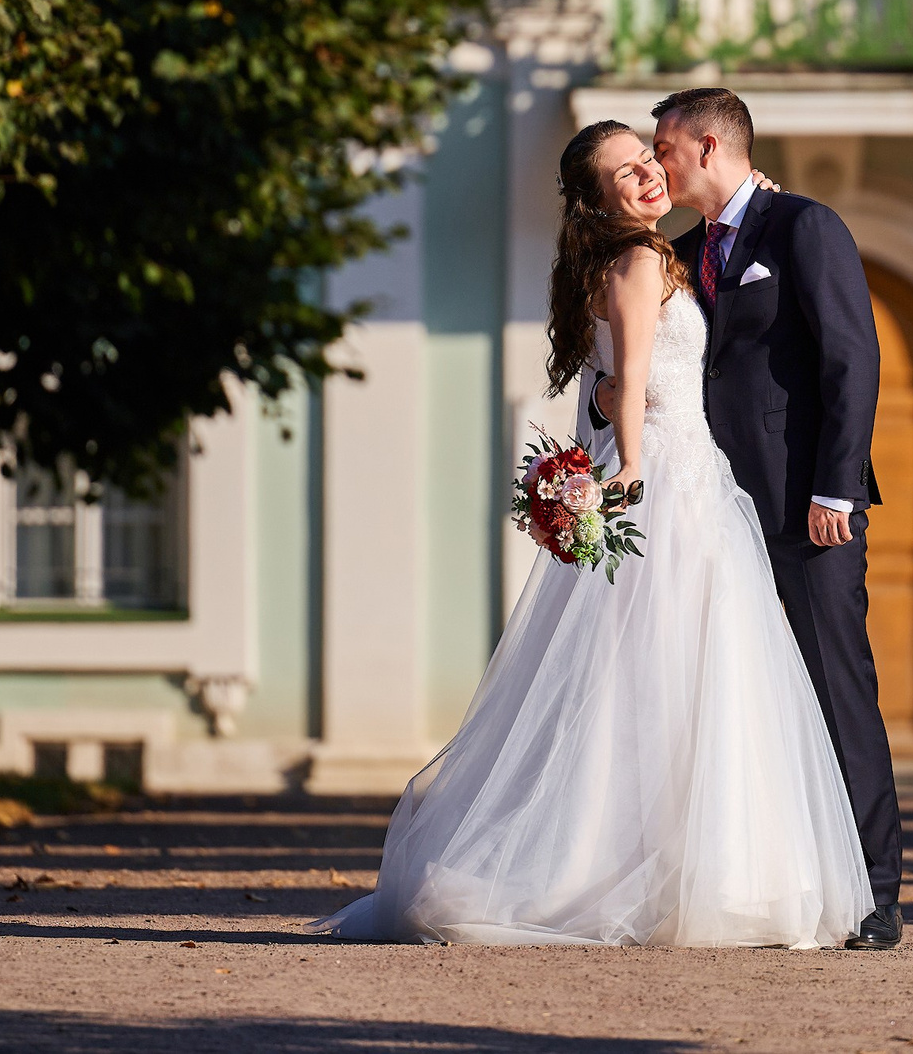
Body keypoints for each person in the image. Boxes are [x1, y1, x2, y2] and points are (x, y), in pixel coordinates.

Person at [317, 121, 871, 948]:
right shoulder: (643, 260)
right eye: (624, 172)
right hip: (676, 481)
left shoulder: (629, 258)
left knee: (660, 679)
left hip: (686, 473)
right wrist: (632, 470)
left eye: (646, 158)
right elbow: (637, 378)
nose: (646, 174)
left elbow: (609, 384)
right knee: (691, 674)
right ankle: (698, 874)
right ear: (597, 198)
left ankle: (664, 863)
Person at [646, 86, 904, 952]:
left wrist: (835, 488)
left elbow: (850, 355)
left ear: (711, 144)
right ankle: (789, 881)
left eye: (667, 147)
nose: (658, 161)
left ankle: (874, 893)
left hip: (806, 510)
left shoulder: (804, 226)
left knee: (836, 687)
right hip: (716, 512)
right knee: (747, 701)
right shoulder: (680, 255)